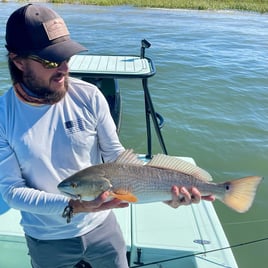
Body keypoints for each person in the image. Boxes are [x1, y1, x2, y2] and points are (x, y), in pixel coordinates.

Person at [0, 4, 214, 268]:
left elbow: (116, 157)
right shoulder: (4, 116)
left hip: (103, 228)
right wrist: (74, 206)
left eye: (67, 57)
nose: (65, 68)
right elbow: (11, 191)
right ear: (18, 61)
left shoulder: (89, 95)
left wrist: (165, 193)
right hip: (46, 238)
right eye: (51, 61)